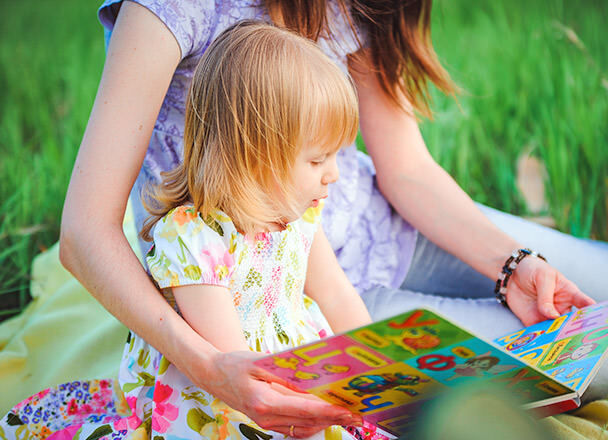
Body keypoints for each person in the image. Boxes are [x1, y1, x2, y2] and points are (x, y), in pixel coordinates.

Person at [55, 0, 608, 436]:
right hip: (291, 305)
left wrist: (511, 266)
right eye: (322, 158)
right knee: (598, 364)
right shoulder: (176, 11)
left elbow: (406, 169)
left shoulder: (318, 195)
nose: (335, 169)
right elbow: (84, 234)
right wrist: (214, 369)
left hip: (378, 233)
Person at [2, 22, 389, 440]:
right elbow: (234, 364)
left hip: (287, 372)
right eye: (317, 160)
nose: (333, 175)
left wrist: (379, 372)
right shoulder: (193, 239)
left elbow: (335, 292)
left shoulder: (298, 216)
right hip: (225, 396)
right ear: (255, 155)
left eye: (336, 156)